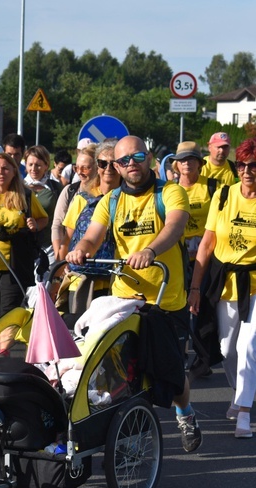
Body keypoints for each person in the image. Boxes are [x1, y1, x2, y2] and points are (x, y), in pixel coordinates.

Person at [66, 135, 202, 453]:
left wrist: (151, 250)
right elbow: (92, 237)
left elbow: (175, 225)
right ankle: (132, 431)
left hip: (165, 302)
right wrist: (80, 251)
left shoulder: (170, 192)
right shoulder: (110, 200)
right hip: (125, 300)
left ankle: (186, 414)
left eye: (137, 157)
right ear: (115, 166)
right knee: (120, 373)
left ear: (150, 158)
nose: (131, 165)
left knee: (170, 373)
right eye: (124, 160)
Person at [189, 138, 256, 438]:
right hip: (226, 282)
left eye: (253, 165)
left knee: (248, 346)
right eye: (242, 165)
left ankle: (244, 411)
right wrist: (195, 287)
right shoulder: (225, 196)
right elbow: (206, 244)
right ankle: (239, 391)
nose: (246, 171)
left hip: (254, 283)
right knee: (227, 350)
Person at [0, 153, 48, 335]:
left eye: (6, 168)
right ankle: (3, 349)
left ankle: (3, 355)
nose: (1, 172)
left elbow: (43, 219)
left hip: (15, 264)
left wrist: (33, 225)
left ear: (14, 172)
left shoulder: (25, 195)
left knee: (7, 313)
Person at [60, 143, 120, 314]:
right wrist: (61, 269)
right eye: (103, 163)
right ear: (97, 166)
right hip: (82, 280)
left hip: (116, 282)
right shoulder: (82, 199)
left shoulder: (128, 199)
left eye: (114, 163)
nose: (108, 168)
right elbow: (67, 239)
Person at [170, 141, 217, 272]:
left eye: (191, 159)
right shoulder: (170, 189)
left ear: (199, 163)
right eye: (182, 159)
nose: (186, 163)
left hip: (208, 255)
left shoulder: (212, 186)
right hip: (179, 254)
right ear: (176, 164)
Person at [24, 145, 62, 266]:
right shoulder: (17, 188)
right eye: (30, 164)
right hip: (24, 247)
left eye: (38, 165)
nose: (34, 168)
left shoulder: (56, 188)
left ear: (46, 166)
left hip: (49, 247)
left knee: (46, 284)